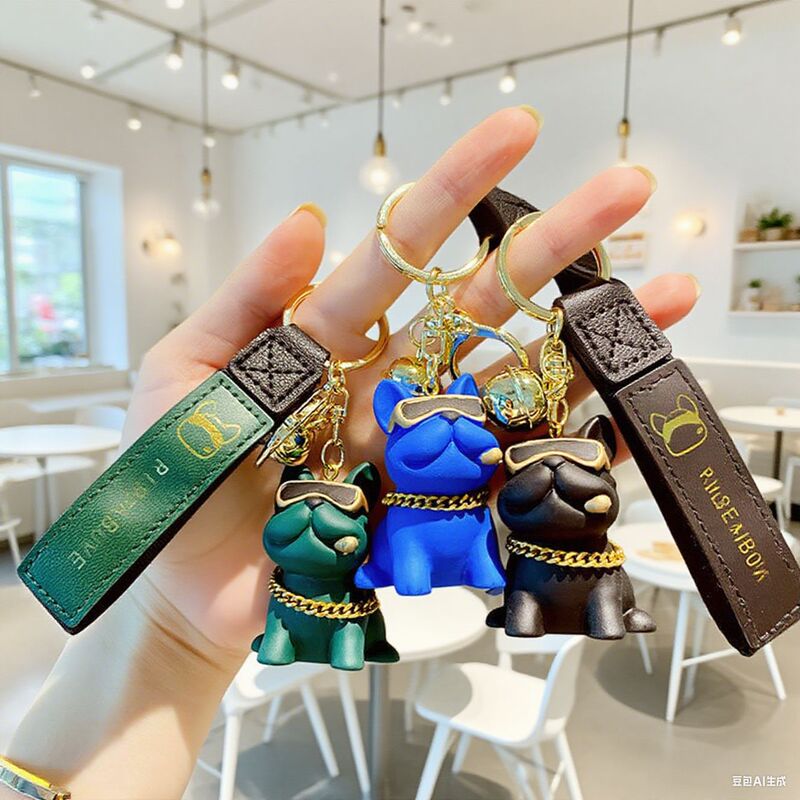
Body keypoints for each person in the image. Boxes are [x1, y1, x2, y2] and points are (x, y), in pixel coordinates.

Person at [2, 107, 698, 799]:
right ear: (393, 423)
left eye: (465, 426)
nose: (455, 434)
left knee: (484, 560)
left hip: (461, 528)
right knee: (414, 561)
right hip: (367, 539)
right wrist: (163, 618)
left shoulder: (462, 464)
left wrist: (171, 634)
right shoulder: (353, 488)